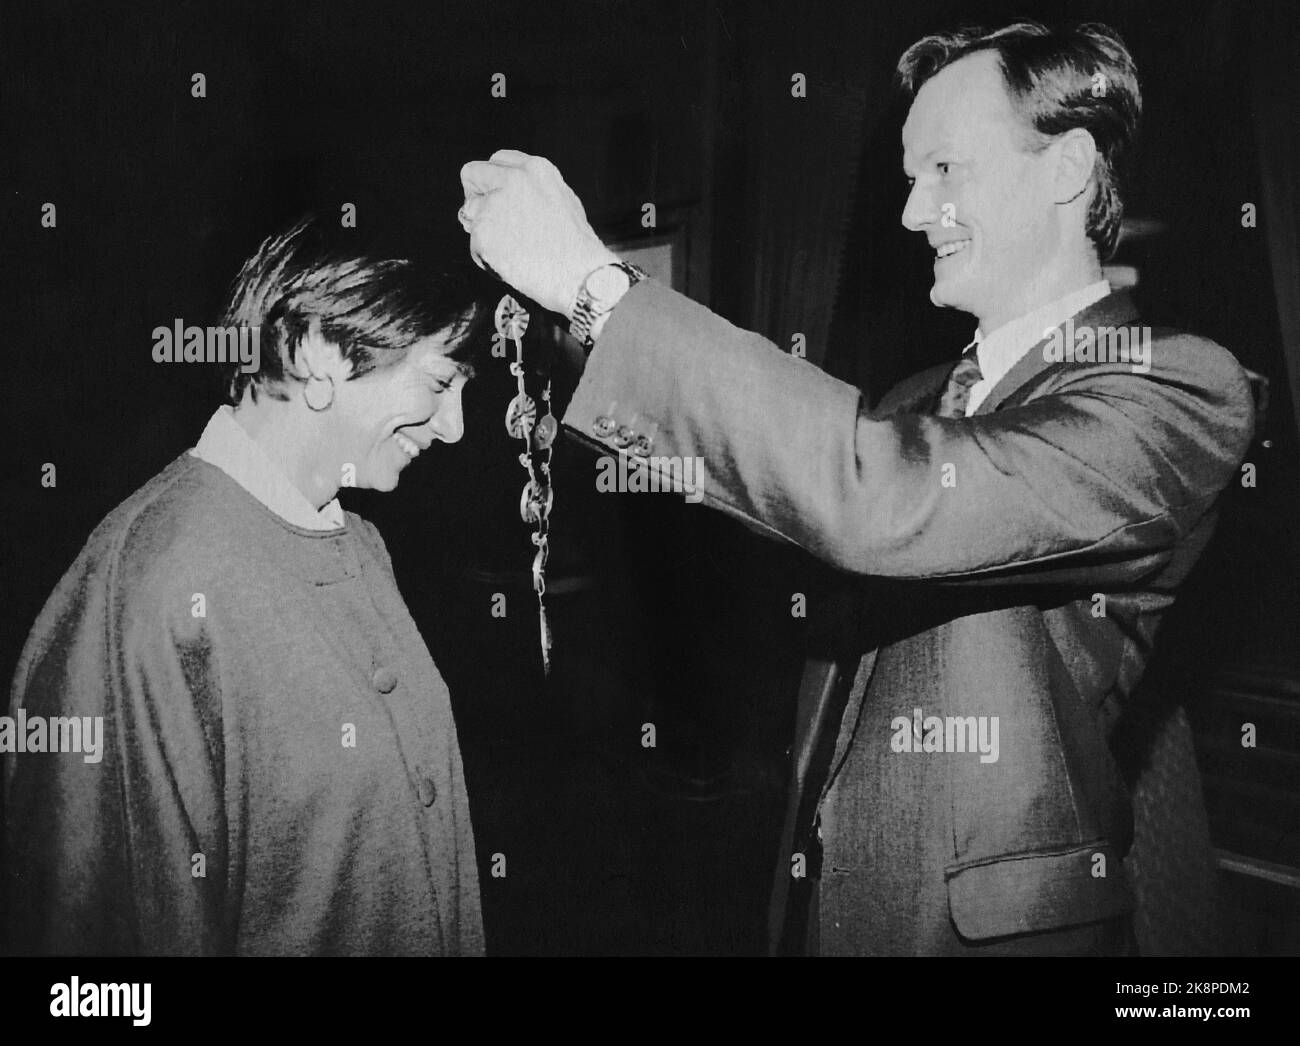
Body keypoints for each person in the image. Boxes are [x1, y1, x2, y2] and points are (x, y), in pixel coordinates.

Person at [457, 21, 1256, 954]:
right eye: (912, 179)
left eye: (946, 171)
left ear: (1067, 168)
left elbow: (882, 501)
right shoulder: (918, 401)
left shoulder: (1175, 389)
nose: (915, 213)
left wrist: (593, 287)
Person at [6, 218, 488, 955]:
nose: (454, 427)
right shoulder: (153, 583)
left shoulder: (363, 541)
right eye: (438, 381)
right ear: (316, 353)